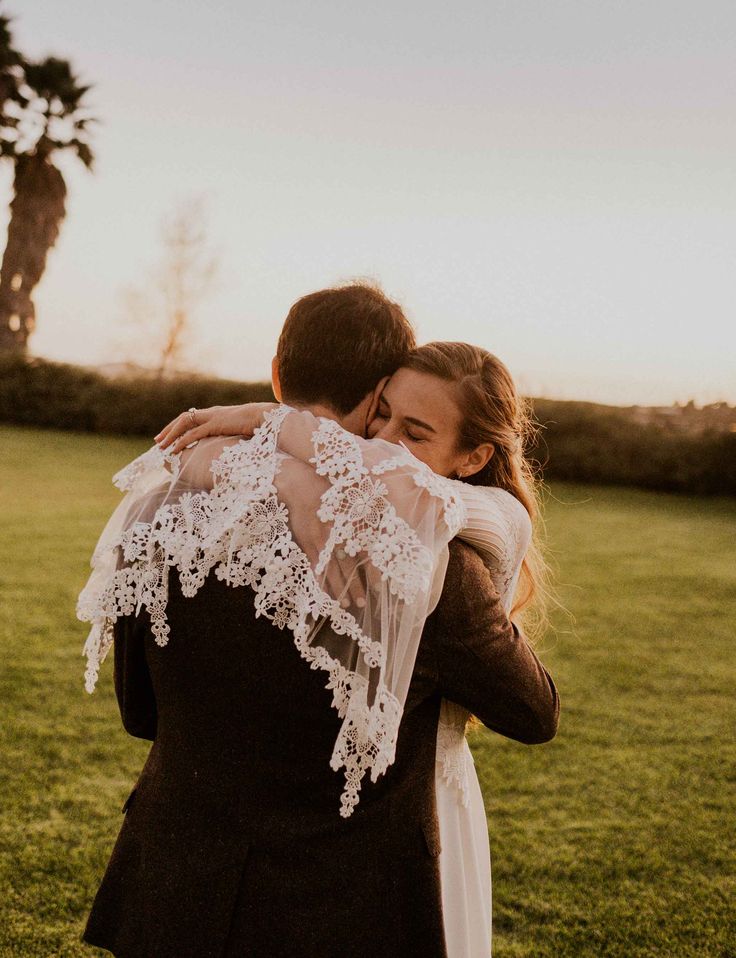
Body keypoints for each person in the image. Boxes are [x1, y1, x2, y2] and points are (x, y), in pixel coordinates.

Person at [78, 283, 559, 957]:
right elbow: (534, 712)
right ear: (374, 396)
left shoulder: (160, 508)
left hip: (176, 888)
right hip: (338, 911)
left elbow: (141, 714)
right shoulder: (426, 560)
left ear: (278, 373)